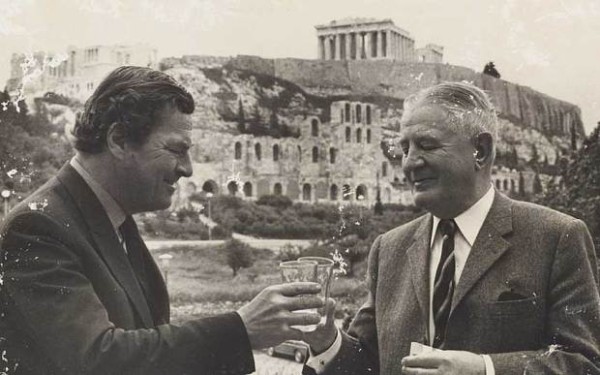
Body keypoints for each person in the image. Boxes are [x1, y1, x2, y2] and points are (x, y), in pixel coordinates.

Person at [0, 66, 324, 375]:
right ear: (119, 140)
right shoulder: (37, 228)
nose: (188, 169)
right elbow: (96, 359)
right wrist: (240, 329)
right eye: (176, 149)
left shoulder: (114, 219)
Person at [303, 82, 600, 374]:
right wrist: (326, 342)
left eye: (427, 145)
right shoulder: (388, 249)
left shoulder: (557, 237)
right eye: (404, 149)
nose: (409, 163)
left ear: (480, 151)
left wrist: (484, 369)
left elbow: (585, 363)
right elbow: (368, 362)